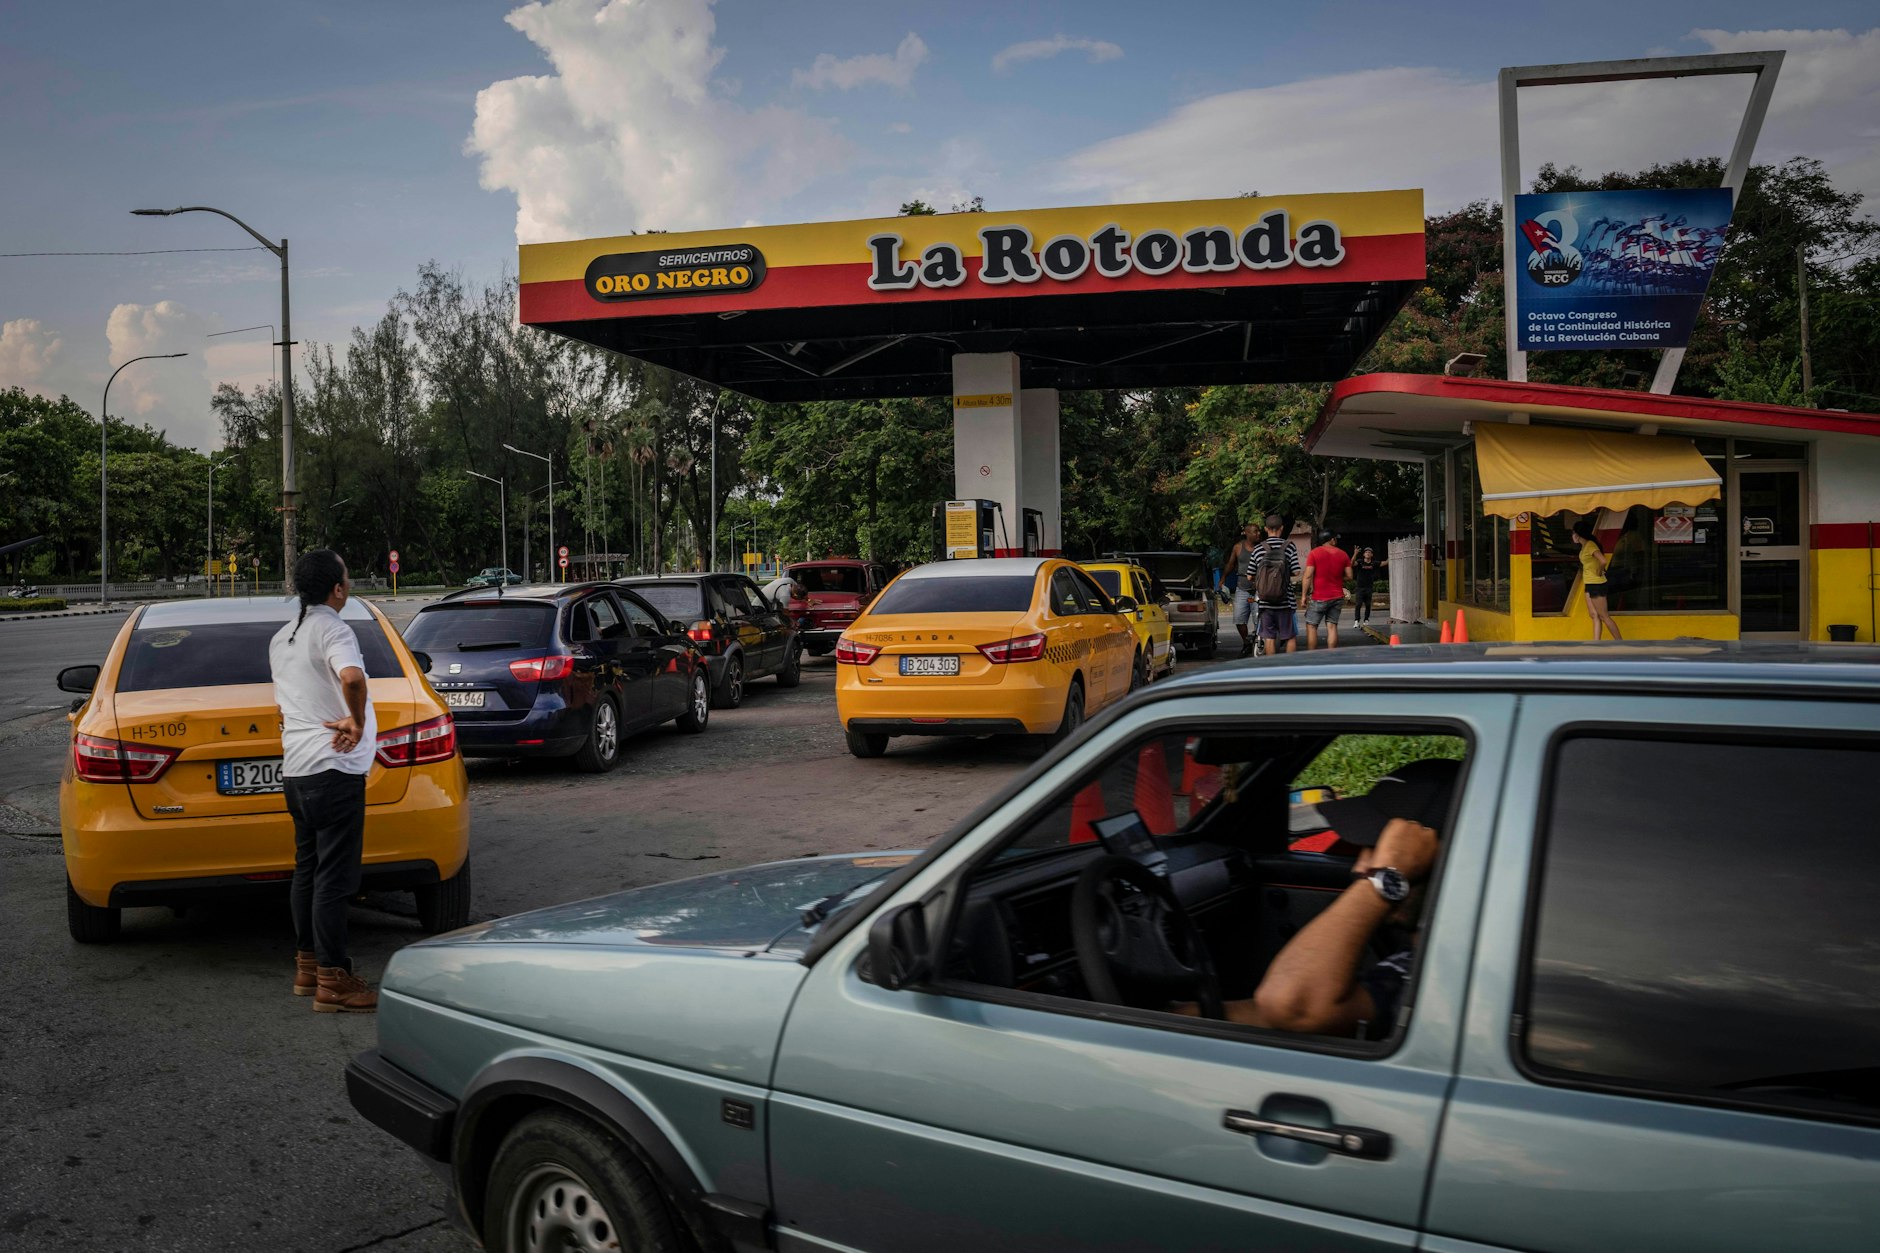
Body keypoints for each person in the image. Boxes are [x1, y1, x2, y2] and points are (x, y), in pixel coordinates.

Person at [1211, 759, 1459, 1036]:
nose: (1360, 869)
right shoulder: (1422, 958)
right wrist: (1177, 1012)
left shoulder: (1456, 972)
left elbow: (1291, 1005)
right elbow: (1277, 1014)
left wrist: (1385, 878)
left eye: (1381, 851)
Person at [269, 549, 379, 1013]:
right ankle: (334, 982)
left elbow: (282, 707)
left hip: (297, 772)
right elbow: (352, 678)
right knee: (334, 880)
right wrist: (355, 723)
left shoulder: (282, 638)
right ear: (337, 588)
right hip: (333, 772)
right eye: (347, 578)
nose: (349, 584)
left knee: (308, 871)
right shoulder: (334, 628)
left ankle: (308, 967)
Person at [1247, 515, 1301, 657]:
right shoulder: (1289, 546)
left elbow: (1249, 575)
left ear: (1265, 529)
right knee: (1289, 636)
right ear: (1282, 528)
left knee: (1269, 637)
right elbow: (1296, 571)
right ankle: (1289, 668)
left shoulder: (1258, 549)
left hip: (1265, 602)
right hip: (1286, 601)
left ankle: (1273, 669)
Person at [1302, 531, 1353, 650]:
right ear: (1331, 539)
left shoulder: (1314, 553)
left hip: (1319, 597)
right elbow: (1350, 576)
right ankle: (1332, 655)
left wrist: (1304, 596)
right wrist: (1337, 578)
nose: (1336, 541)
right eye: (1335, 538)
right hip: (1337, 596)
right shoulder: (1343, 554)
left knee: (1312, 626)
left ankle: (1312, 655)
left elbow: (1308, 575)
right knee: (1332, 626)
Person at [1573, 518, 1622, 641]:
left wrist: (1600, 571)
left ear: (1577, 535)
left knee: (1604, 616)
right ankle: (1596, 643)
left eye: (1573, 533)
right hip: (1590, 583)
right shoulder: (1585, 546)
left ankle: (1620, 642)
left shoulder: (1590, 545)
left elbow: (1603, 560)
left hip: (1596, 584)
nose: (1572, 536)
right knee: (1594, 614)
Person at [1225, 520, 1261, 657]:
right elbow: (1230, 564)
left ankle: (1258, 643)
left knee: (1259, 619)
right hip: (1242, 588)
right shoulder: (1238, 547)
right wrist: (1222, 579)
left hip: (1259, 590)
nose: (1258, 534)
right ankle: (1247, 642)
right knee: (1239, 619)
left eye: (1259, 531)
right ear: (1247, 533)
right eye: (1255, 531)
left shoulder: (1263, 548)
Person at [1352, 546, 1380, 624]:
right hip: (1360, 587)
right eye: (1366, 552)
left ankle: (1366, 620)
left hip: (1369, 588)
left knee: (1368, 605)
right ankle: (1356, 620)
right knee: (1358, 604)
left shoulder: (1374, 563)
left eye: (1369, 552)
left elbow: (1384, 562)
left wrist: (1392, 556)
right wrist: (1355, 553)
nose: (1368, 553)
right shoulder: (1360, 562)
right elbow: (1351, 563)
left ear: (1371, 555)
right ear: (1364, 554)